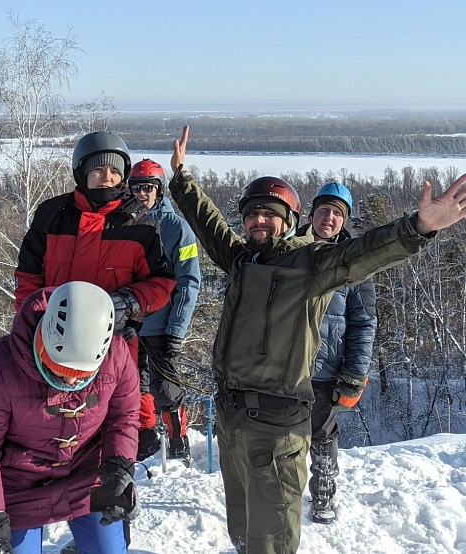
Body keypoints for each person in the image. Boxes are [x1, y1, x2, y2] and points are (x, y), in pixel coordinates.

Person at [166, 125, 466, 554]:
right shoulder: (240, 260)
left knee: (270, 542)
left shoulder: (310, 265)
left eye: (269, 214)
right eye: (252, 214)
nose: (258, 221)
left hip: (277, 427)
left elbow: (363, 253)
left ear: (289, 222)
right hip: (231, 421)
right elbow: (208, 222)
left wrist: (419, 227)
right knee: (241, 530)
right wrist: (181, 177)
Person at [14, 131, 176, 442]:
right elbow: (28, 276)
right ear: (82, 172)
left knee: (110, 428)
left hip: (112, 344)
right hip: (52, 343)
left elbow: (162, 282)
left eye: (115, 171)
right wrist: (30, 321)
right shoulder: (53, 215)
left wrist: (130, 302)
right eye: (98, 170)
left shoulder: (141, 225)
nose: (107, 178)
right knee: (55, 428)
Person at [0, 281, 141, 554]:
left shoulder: (117, 355)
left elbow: (124, 417)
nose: (68, 379)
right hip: (20, 487)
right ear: (43, 337)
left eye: (80, 375)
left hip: (86, 475)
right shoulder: (1, 366)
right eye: (58, 366)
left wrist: (118, 467)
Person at [297, 182, 377, 524]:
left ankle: (323, 495)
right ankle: (278, 499)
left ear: (344, 221)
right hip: (283, 365)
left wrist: (355, 373)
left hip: (325, 370)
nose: (328, 218)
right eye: (323, 210)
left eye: (337, 213)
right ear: (311, 213)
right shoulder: (291, 248)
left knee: (322, 436)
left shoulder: (355, 264)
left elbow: (364, 322)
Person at [128, 159, 201, 464]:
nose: (141, 194)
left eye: (148, 188)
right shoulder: (123, 224)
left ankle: (177, 437)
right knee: (133, 385)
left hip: (162, 324)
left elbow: (189, 281)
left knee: (166, 387)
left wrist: (176, 330)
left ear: (158, 190)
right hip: (129, 323)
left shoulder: (177, 228)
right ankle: (145, 439)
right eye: (136, 188)